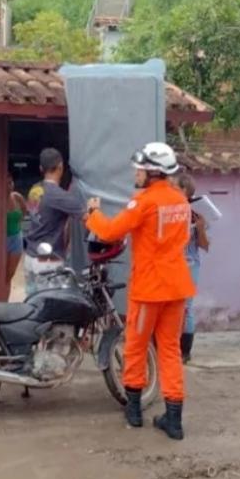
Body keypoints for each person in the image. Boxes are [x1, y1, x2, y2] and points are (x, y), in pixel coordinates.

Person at [85, 141, 195, 441]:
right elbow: (182, 239)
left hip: (149, 289)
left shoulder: (143, 202)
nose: (135, 173)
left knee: (136, 345)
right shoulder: (181, 202)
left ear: (151, 172)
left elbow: (109, 232)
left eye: (139, 168)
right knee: (170, 349)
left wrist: (92, 214)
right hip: (177, 286)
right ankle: (174, 419)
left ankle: (133, 411)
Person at [23, 148, 85, 295]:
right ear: (61, 167)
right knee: (51, 308)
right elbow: (85, 216)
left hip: (30, 257)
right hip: (48, 263)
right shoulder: (59, 196)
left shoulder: (34, 189)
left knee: (33, 307)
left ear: (41, 168)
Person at [172, 172, 210, 364]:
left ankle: (185, 351)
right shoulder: (168, 212)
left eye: (176, 189)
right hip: (170, 264)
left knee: (185, 308)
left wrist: (201, 227)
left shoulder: (196, 214)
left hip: (188, 265)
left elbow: (205, 246)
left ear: (186, 192)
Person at [5, 178, 27, 289]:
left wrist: (19, 220)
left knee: (9, 275)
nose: (9, 185)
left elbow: (24, 209)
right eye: (6, 183)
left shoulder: (17, 197)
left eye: (10, 182)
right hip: (0, 239)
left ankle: (4, 303)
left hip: (16, 238)